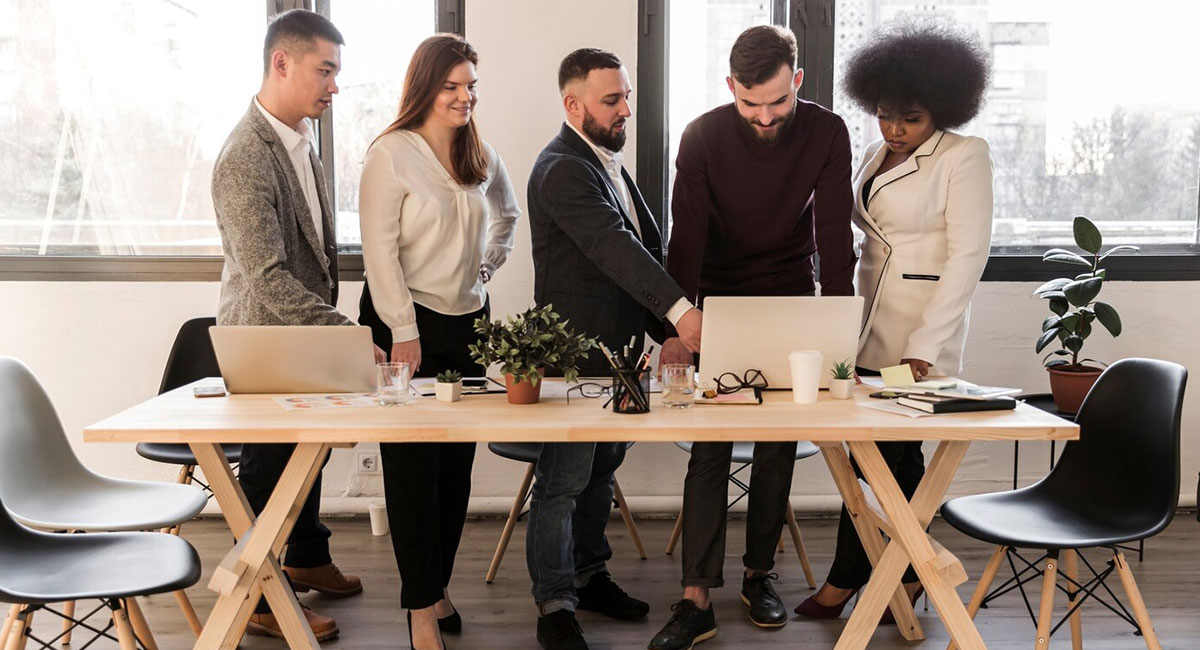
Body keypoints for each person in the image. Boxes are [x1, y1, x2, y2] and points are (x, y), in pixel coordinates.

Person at [647, 25, 857, 650]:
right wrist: (677, 326)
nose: (764, 117)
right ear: (731, 87)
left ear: (798, 81)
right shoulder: (702, 136)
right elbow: (686, 237)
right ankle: (695, 598)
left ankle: (758, 575)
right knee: (711, 446)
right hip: (716, 301)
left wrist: (840, 335)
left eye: (777, 102)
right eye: (749, 103)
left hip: (789, 295)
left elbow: (835, 237)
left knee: (776, 443)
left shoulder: (827, 132)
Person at [793, 16, 993, 621]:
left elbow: (967, 257)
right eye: (884, 115)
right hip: (867, 321)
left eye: (911, 118)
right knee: (885, 457)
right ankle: (901, 579)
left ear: (942, 110)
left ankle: (852, 579)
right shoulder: (876, 153)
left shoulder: (964, 156)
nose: (896, 129)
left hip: (917, 335)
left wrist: (926, 344)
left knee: (883, 455)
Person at [211, 9, 382, 642]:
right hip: (263, 339)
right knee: (270, 465)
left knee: (309, 446)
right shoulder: (245, 156)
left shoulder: (300, 141)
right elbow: (267, 276)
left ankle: (307, 555)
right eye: (325, 70)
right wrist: (347, 333)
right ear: (281, 63)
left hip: (298, 336)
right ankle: (262, 596)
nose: (335, 86)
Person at [525, 48, 703, 650]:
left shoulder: (606, 162)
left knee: (601, 473)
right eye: (611, 100)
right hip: (575, 358)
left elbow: (646, 252)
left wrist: (667, 333)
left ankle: (589, 575)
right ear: (573, 104)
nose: (626, 109)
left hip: (621, 358)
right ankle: (554, 605)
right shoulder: (562, 168)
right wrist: (681, 314)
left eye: (626, 95)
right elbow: (612, 248)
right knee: (562, 483)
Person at [357, 33, 520, 650]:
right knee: (412, 473)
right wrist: (403, 330)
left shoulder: (480, 152)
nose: (463, 97)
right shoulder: (390, 154)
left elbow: (507, 215)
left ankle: (438, 585)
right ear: (425, 87)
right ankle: (419, 608)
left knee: (455, 472)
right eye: (451, 86)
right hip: (405, 322)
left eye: (470, 85)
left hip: (467, 324)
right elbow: (379, 253)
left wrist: (488, 265)